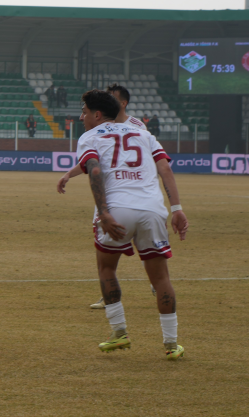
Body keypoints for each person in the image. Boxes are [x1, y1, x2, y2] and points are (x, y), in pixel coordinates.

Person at [67, 90, 189, 359]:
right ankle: (171, 344)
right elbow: (165, 169)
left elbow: (95, 170)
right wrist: (177, 209)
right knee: (161, 278)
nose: (81, 116)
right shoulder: (144, 134)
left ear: (97, 115)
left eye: (84, 112)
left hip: (118, 209)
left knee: (106, 268)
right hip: (153, 210)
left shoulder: (89, 136)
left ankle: (119, 333)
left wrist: (105, 212)